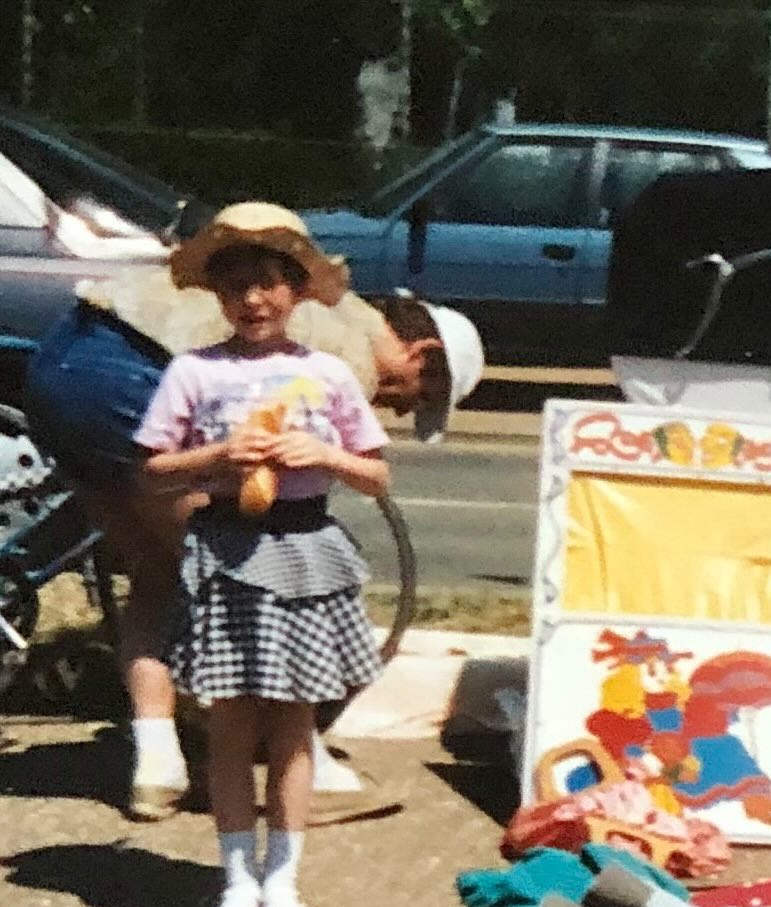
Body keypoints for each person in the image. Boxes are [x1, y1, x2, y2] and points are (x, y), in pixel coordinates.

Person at [24, 235, 483, 820]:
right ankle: (300, 763)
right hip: (130, 373)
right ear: (420, 354)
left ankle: (157, 766)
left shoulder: (334, 310)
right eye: (416, 398)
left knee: (158, 576)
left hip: (65, 359)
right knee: (242, 579)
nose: (397, 409)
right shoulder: (340, 354)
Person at [136, 203, 389, 907]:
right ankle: (236, 878)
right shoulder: (193, 372)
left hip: (306, 553)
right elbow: (152, 468)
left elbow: (377, 475)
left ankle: (284, 877)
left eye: (270, 285)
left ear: (299, 291)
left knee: (294, 725)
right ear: (216, 297)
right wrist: (215, 461)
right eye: (236, 287)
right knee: (229, 723)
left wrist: (328, 457)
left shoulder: (327, 374)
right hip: (227, 555)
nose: (254, 301)